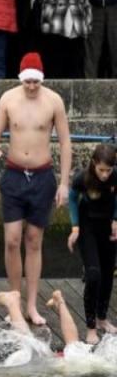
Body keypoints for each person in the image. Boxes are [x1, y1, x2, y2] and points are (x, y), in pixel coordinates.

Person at [0, 52, 72, 325]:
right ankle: (15, 297)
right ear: (21, 79)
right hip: (14, 174)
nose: (32, 87)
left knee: (34, 240)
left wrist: (64, 183)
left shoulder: (54, 101)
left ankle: (32, 305)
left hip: (42, 176)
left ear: (42, 79)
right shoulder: (9, 99)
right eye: (28, 82)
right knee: (12, 239)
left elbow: (65, 143)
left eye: (36, 82)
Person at [67, 143, 117, 344]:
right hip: (88, 227)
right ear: (94, 164)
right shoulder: (83, 177)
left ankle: (102, 318)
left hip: (108, 228)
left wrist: (116, 219)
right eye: (101, 170)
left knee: (107, 274)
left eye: (109, 170)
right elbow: (72, 199)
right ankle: (90, 328)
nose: (105, 175)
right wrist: (75, 227)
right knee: (94, 274)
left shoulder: (115, 176)